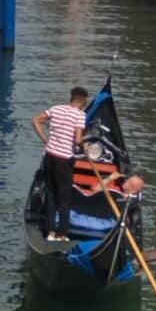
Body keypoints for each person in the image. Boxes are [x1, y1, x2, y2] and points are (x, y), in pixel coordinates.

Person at [31, 86, 88, 241]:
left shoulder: (56, 108)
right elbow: (77, 140)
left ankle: (49, 233)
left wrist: (45, 140)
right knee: (64, 199)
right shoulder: (80, 115)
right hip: (64, 160)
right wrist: (85, 147)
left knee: (50, 195)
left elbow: (35, 120)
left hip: (49, 156)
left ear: (71, 98)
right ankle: (62, 234)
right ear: (83, 101)